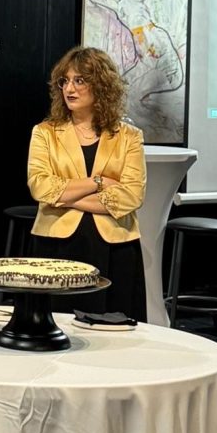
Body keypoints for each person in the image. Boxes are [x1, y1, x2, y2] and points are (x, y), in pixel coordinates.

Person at [27, 45, 147, 321]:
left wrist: (64, 196)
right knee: (58, 328)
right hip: (56, 243)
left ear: (101, 85)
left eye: (79, 80)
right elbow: (41, 187)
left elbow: (131, 196)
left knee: (113, 333)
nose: (69, 88)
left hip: (115, 245)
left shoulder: (129, 136)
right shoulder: (44, 133)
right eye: (65, 81)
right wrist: (98, 182)